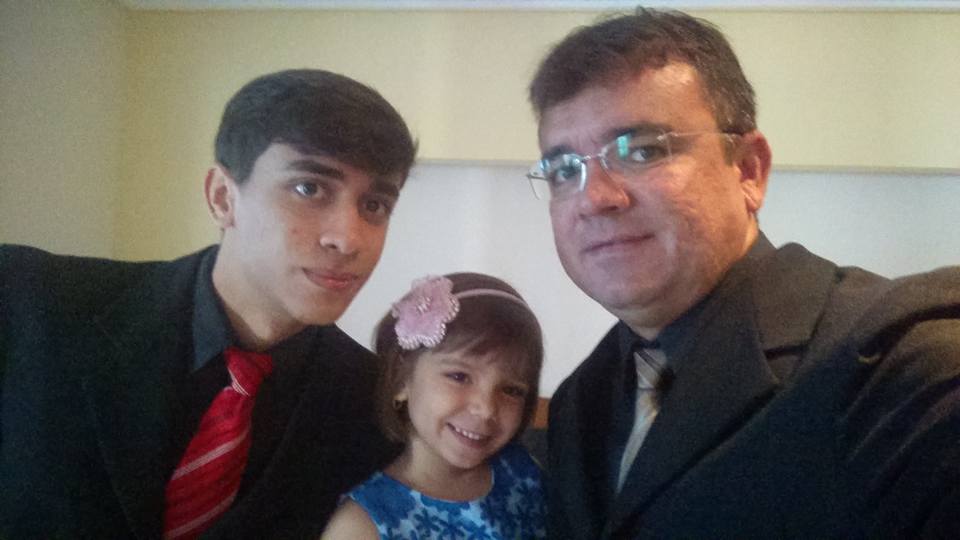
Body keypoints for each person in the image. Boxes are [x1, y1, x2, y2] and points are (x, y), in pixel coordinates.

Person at [526, 7, 960, 539]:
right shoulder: (578, 401)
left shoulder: (904, 369)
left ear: (748, 170)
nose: (594, 198)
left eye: (642, 151)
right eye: (563, 169)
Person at [0, 69, 417, 538]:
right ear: (222, 197)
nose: (348, 238)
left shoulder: (376, 411)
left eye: (375, 205)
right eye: (309, 188)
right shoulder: (28, 303)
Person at [321, 273, 547, 539]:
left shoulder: (524, 471)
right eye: (459, 377)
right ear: (402, 379)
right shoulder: (362, 525)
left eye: (511, 390)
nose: (486, 408)